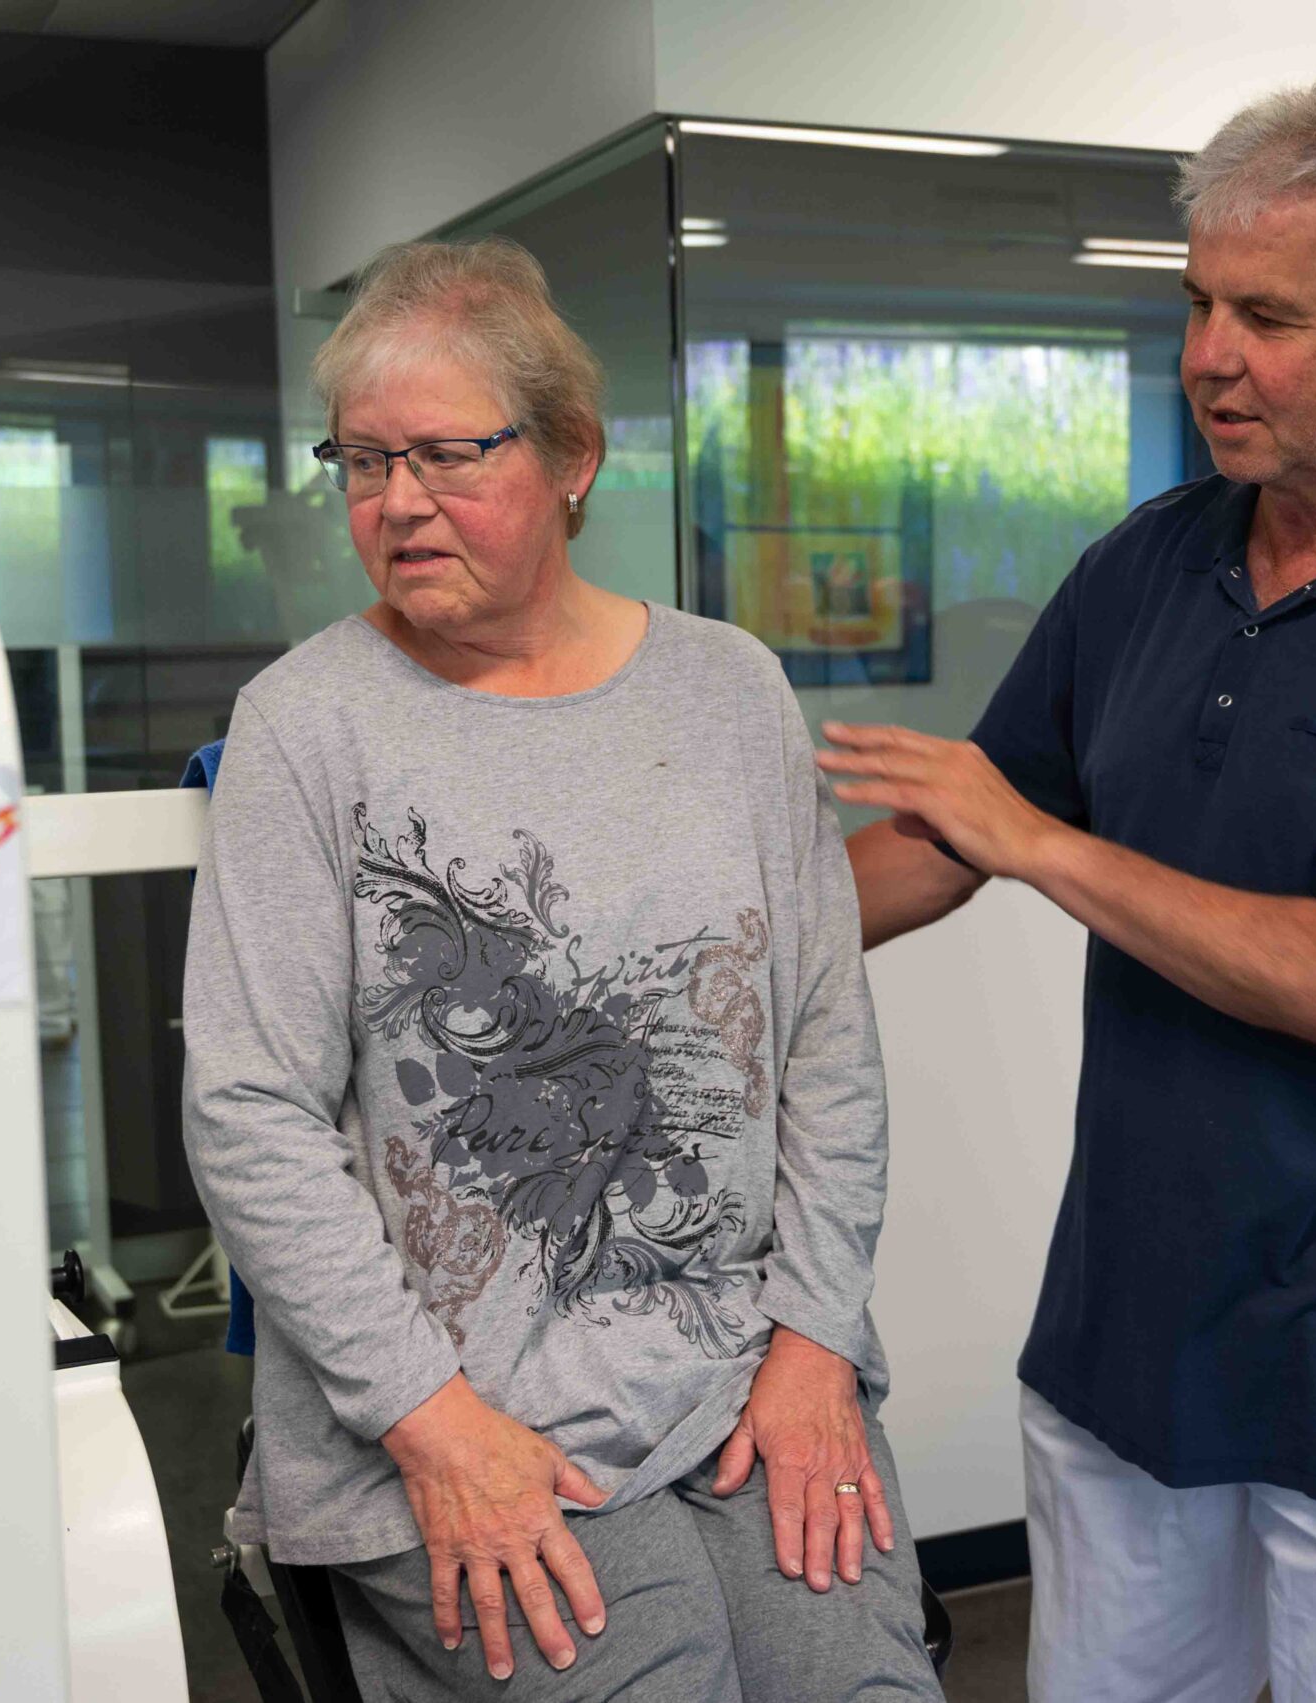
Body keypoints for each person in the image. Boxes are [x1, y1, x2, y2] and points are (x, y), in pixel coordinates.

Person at [821, 78, 1316, 1703]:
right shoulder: (1147, 561)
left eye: (1268, 317)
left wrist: (1043, 844)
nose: (1209, 356)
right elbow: (946, 839)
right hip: (1125, 1336)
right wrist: (684, 955)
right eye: (1198, 305)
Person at [181, 236, 942, 1702]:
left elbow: (825, 1048)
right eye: (363, 462)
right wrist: (431, 1423)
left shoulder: (731, 691)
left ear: (572, 455)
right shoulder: (305, 727)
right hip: (452, 1412)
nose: (399, 502)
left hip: (745, 1369)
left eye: (445, 455)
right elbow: (249, 1115)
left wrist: (815, 1342)